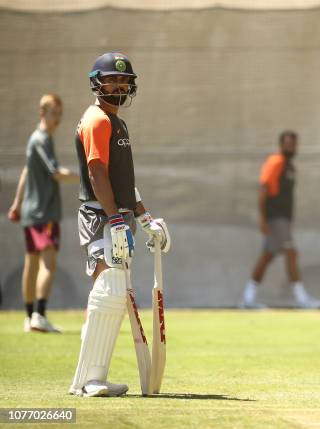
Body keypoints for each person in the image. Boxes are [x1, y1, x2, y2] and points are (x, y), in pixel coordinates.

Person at [69, 52, 170, 397]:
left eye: (124, 81)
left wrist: (142, 216)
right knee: (110, 289)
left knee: (110, 298)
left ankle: (91, 377)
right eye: (112, 79)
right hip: (100, 214)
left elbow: (123, 179)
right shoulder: (97, 119)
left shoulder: (117, 122)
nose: (119, 85)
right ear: (97, 83)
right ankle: (87, 381)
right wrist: (113, 218)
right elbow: (97, 172)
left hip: (116, 214)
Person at [7, 94, 78, 333]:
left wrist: (17, 203)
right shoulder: (42, 138)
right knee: (48, 263)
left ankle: (30, 317)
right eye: (53, 113)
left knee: (33, 262)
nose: (57, 118)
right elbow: (56, 172)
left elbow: (27, 171)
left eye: (60, 113)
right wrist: (87, 178)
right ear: (42, 112)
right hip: (44, 212)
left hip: (30, 212)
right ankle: (39, 314)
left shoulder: (34, 140)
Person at [241, 131, 320, 309]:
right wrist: (262, 218)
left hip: (283, 220)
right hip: (275, 219)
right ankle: (302, 299)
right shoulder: (275, 162)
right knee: (291, 253)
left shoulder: (290, 166)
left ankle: (248, 298)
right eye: (288, 144)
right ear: (281, 144)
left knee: (267, 256)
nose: (291, 147)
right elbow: (263, 189)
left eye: (294, 144)